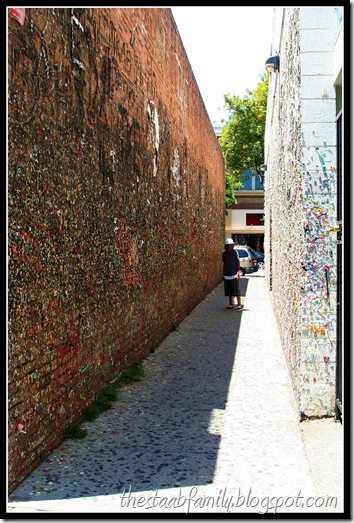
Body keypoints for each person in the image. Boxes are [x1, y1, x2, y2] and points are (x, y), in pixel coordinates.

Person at [222, 238, 243, 310]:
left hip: (234, 274)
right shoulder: (224, 254)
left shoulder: (235, 253)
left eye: (232, 245)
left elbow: (238, 262)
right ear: (227, 245)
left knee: (236, 290)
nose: (231, 246)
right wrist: (223, 273)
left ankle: (239, 304)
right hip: (227, 275)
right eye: (229, 245)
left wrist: (238, 272)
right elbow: (224, 264)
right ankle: (231, 304)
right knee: (228, 291)